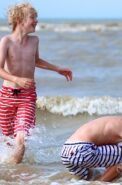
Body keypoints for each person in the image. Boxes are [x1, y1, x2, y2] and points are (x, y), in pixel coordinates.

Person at [0, 3, 73, 164]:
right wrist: (16, 79)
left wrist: (57, 69)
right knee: (8, 141)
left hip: (27, 96)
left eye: (36, 18)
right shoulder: (6, 41)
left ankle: (15, 173)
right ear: (20, 19)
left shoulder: (34, 41)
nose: (36, 21)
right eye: (33, 17)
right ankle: (8, 174)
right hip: (7, 96)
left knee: (21, 139)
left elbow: (36, 60)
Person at [60, 97, 122, 182]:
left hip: (66, 152)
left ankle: (97, 181)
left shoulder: (116, 123)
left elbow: (106, 152)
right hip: (81, 149)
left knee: (89, 178)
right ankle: (100, 183)